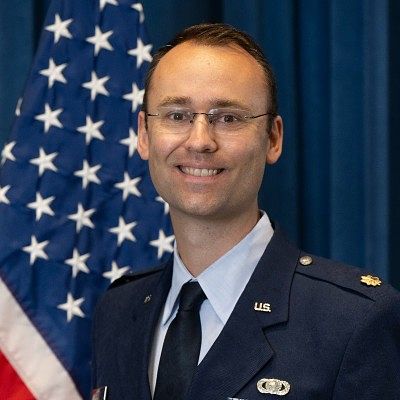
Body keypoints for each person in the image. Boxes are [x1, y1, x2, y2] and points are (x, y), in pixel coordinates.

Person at [91, 23, 400, 400]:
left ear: (273, 138)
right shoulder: (119, 311)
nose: (200, 141)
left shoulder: (351, 320)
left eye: (228, 118)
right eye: (177, 115)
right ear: (144, 134)